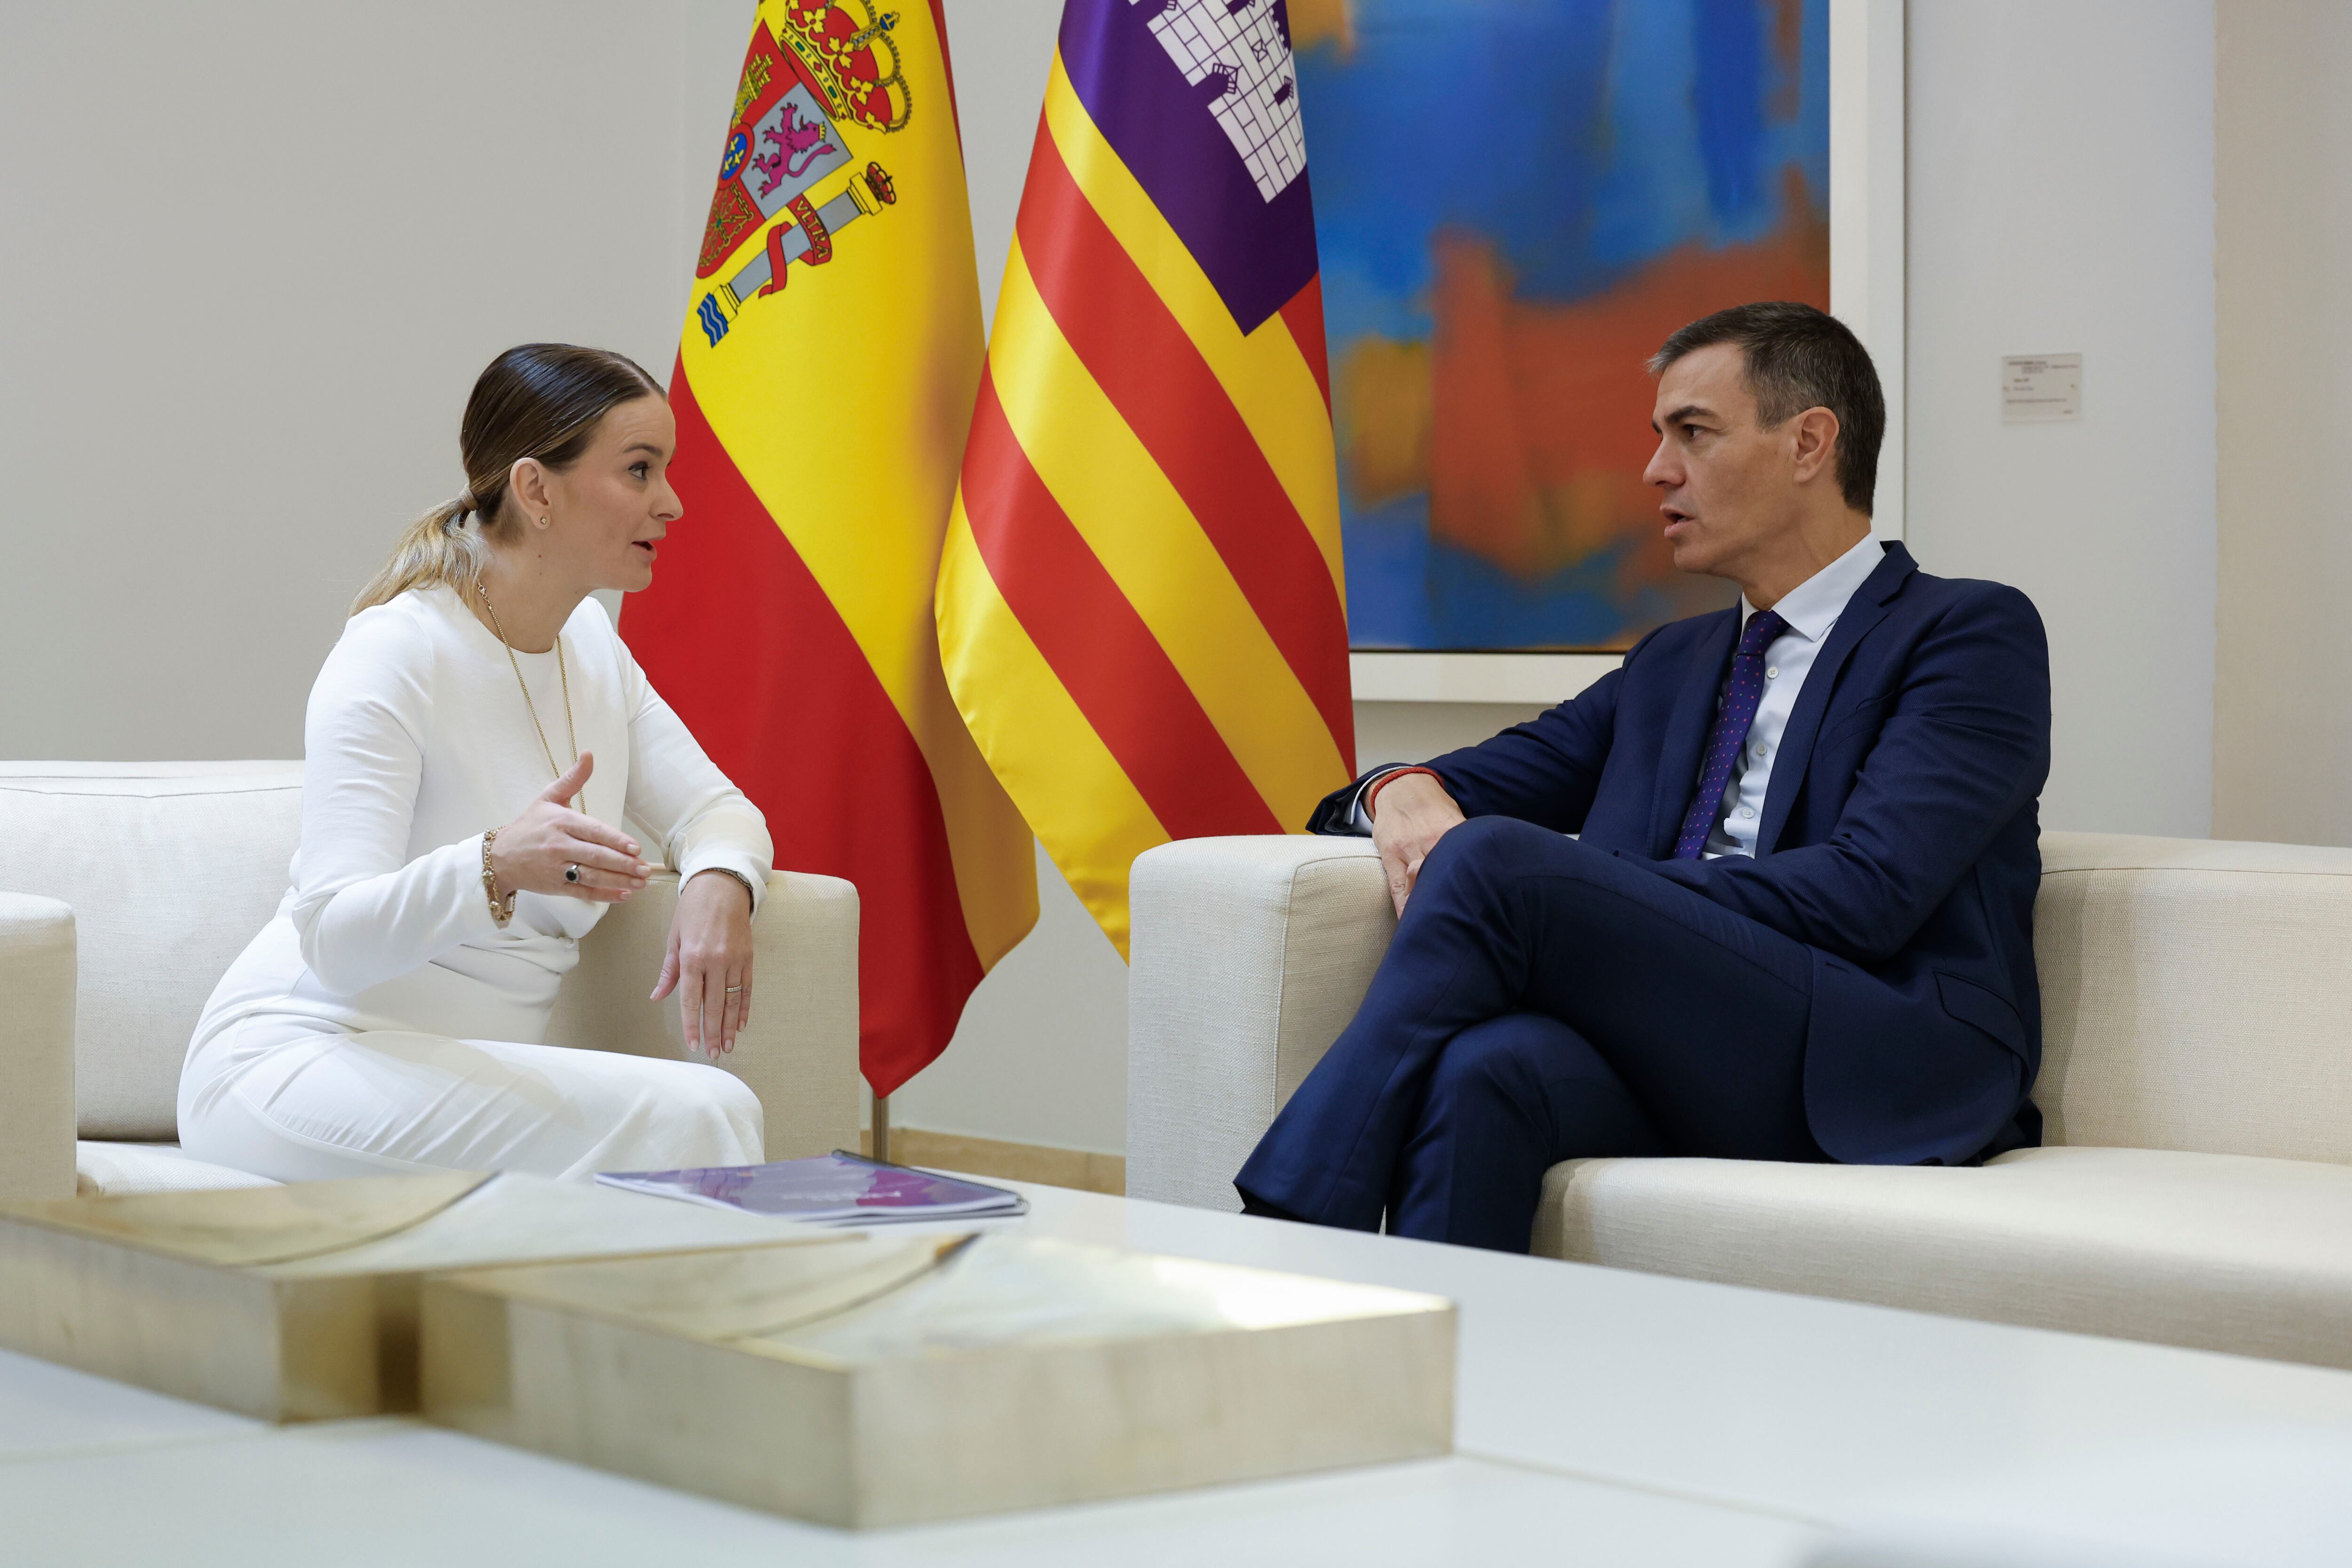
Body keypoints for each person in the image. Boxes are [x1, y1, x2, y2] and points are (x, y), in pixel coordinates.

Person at [1236, 302, 2052, 1252]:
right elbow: (1477, 782)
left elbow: (1865, 896)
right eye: (1657, 438)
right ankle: (1437, 1383)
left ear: (1808, 443)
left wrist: (1603, 898)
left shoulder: (1965, 634)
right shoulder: (1672, 662)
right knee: (1483, 1068)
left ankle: (1281, 1235)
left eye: (1692, 434)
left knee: (1497, 860)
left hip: (1872, 1051)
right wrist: (1394, 784)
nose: (1655, 470)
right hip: (1684, 1045)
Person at [180, 343, 777, 1182]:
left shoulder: (594, 650)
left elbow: (719, 810)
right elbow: (332, 938)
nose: (672, 503)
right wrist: (494, 864)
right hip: (301, 1062)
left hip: (453, 1072)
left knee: (708, 1114)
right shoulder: (396, 651)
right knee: (708, 1113)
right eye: (640, 470)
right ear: (536, 490)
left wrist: (721, 880)